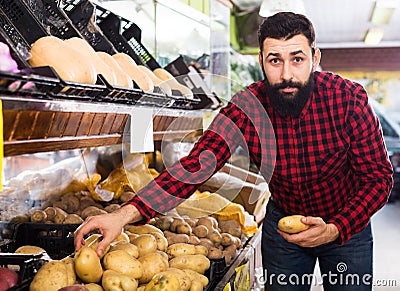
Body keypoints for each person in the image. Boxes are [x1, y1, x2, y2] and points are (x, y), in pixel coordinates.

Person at [74, 12, 393, 290]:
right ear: (261, 61)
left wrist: (337, 227)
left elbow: (379, 178)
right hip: (284, 230)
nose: (285, 75)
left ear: (315, 57)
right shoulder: (247, 107)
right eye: (275, 60)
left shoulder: (348, 99)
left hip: (346, 227)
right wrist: (122, 215)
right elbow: (194, 167)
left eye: (297, 59)